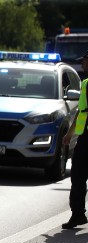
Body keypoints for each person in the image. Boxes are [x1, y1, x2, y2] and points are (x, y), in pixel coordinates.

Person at [61, 51, 88, 228]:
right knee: (78, 176)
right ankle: (78, 214)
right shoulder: (85, 83)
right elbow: (81, 111)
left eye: (84, 61)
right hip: (85, 138)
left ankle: (78, 214)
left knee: (78, 176)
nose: (82, 64)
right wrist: (70, 133)